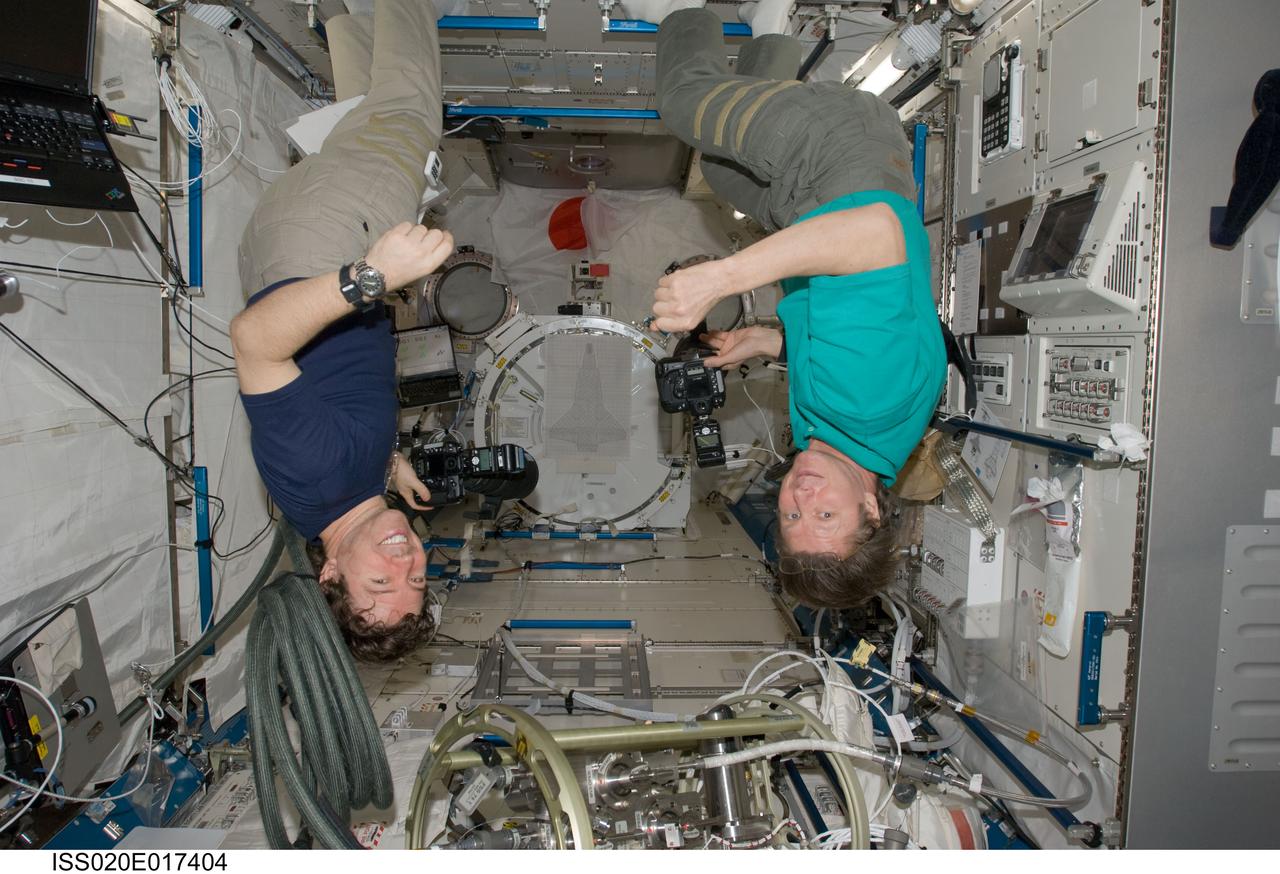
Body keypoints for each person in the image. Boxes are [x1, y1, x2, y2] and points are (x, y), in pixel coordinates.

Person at [630, 0, 947, 607]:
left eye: (793, 521)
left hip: (823, 189)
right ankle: (677, 8)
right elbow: (875, 233)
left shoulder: (851, 443)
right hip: (837, 157)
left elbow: (849, 329)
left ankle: (767, 27)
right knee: (685, 104)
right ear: (872, 511)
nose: (800, 499)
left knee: (723, 175)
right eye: (825, 518)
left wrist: (766, 340)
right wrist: (721, 277)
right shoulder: (866, 406)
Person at [231, 0, 452, 660]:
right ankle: (339, 17)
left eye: (381, 580)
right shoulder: (338, 496)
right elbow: (327, 406)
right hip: (292, 246)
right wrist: (391, 461)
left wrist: (370, 276)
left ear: (328, 575)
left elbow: (254, 343)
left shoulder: (319, 471)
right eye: (416, 577)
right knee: (369, 115)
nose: (405, 558)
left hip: (326, 246)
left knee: (410, 112)